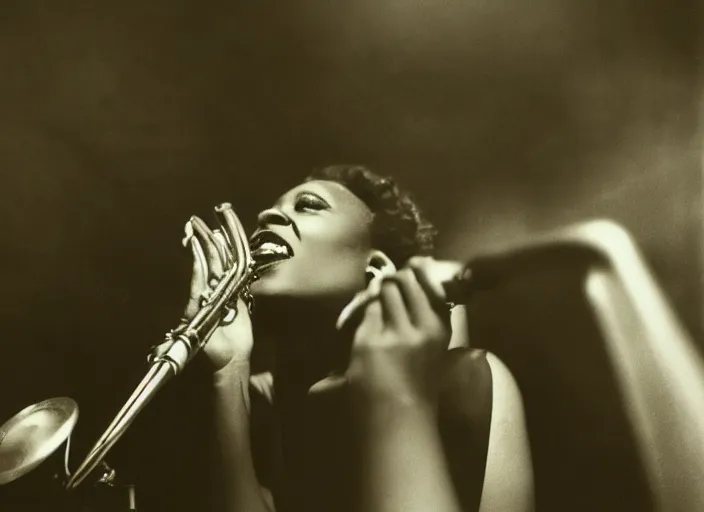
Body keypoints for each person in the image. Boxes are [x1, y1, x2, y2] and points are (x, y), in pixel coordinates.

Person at [176, 165, 533, 512]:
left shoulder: (464, 382)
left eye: (309, 205)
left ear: (376, 269)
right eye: (269, 211)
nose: (268, 214)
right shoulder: (257, 409)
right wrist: (229, 367)